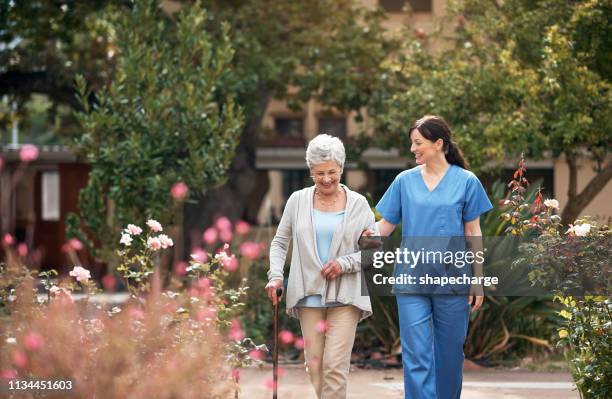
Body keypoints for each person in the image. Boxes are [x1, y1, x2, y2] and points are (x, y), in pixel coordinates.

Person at [372, 115, 492, 399]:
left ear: (439, 143)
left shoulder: (466, 182)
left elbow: (473, 232)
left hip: (454, 282)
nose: (413, 149)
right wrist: (348, 235)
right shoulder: (404, 181)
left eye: (418, 143)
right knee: (416, 356)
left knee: (450, 356)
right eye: (412, 143)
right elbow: (384, 227)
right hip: (412, 280)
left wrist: (478, 280)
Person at [265, 134, 377, 399]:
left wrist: (344, 263)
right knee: (315, 367)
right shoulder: (297, 201)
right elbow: (280, 242)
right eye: (319, 173)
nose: (326, 179)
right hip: (309, 296)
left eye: (332, 172)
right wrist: (276, 276)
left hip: (346, 296)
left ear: (341, 168)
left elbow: (374, 251)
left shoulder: (358, 204)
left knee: (335, 367)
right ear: (310, 171)